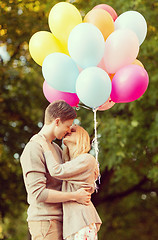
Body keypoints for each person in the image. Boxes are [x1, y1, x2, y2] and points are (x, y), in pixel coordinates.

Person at [20, 100, 91, 240]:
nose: (69, 130)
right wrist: (75, 196)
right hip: (46, 222)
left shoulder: (57, 149)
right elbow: (38, 194)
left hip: (61, 222)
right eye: (68, 125)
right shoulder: (34, 148)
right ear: (57, 121)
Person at [36, 124, 102, 240]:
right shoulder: (71, 163)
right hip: (73, 224)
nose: (68, 131)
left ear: (81, 137)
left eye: (73, 130)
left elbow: (56, 171)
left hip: (82, 221)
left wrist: (44, 146)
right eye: (67, 131)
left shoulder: (87, 159)